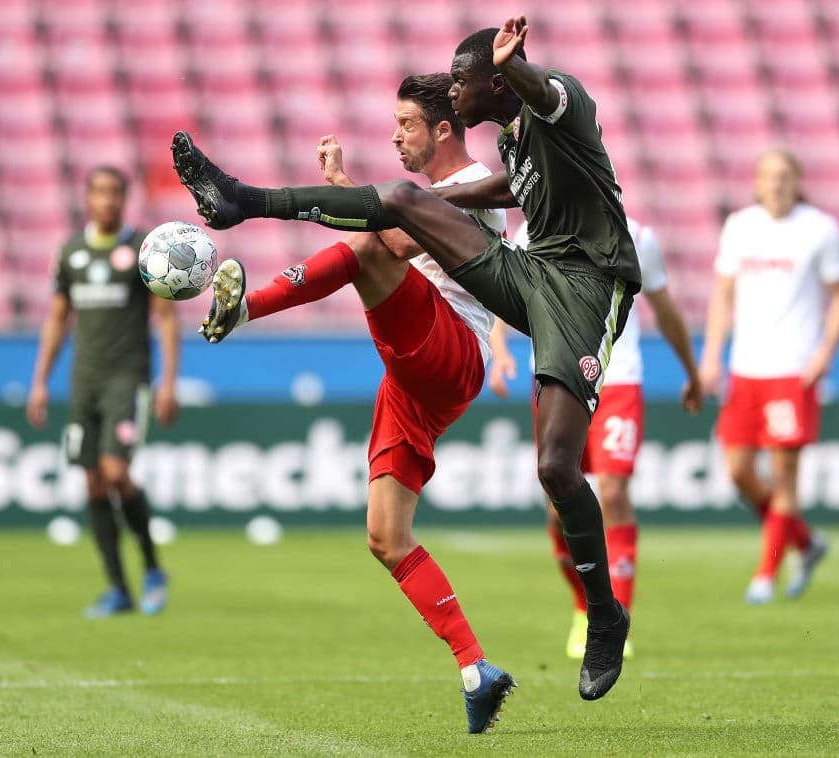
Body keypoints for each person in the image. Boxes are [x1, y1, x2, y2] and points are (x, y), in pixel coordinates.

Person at [173, 16, 641, 702]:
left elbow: (540, 92)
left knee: (555, 467)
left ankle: (604, 614)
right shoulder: (512, 148)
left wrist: (515, 68)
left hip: (587, 289)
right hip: (529, 274)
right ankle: (240, 200)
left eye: (462, 78)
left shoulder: (558, 100)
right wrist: (384, 204)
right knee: (395, 201)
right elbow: (492, 195)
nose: (454, 90)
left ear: (494, 79)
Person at [198, 73, 514, 734]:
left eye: (405, 124)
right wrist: (346, 192)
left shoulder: (472, 186)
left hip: (452, 351)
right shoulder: (435, 193)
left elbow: (389, 239)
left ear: (443, 130)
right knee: (385, 537)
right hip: (415, 378)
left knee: (369, 245)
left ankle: (245, 309)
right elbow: (391, 226)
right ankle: (474, 668)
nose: (395, 135)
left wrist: (344, 198)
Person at [490, 217, 701, 660]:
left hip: (618, 379)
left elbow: (663, 310)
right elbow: (505, 291)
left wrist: (692, 372)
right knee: (556, 506)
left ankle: (616, 617)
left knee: (615, 492)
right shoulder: (531, 233)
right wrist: (500, 349)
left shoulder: (639, 236)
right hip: (556, 377)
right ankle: (582, 606)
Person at [699, 147, 839, 604]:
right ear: (757, 181)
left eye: (785, 175)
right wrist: (711, 357)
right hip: (746, 369)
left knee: (785, 476)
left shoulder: (820, 229)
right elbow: (723, 296)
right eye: (769, 176)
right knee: (739, 470)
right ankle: (805, 542)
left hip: (793, 370)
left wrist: (825, 352)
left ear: (798, 179)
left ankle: (766, 575)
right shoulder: (740, 226)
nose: (777, 183)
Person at [27, 166, 179, 618]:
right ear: (88, 198)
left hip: (127, 379)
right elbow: (57, 318)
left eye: (115, 193)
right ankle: (118, 589)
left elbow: (165, 317)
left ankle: (153, 568)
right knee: (92, 481)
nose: (107, 201)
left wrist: (168, 381)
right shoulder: (71, 252)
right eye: (100, 193)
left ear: (125, 198)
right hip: (84, 381)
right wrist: (39, 381)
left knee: (115, 471)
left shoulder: (142, 251)